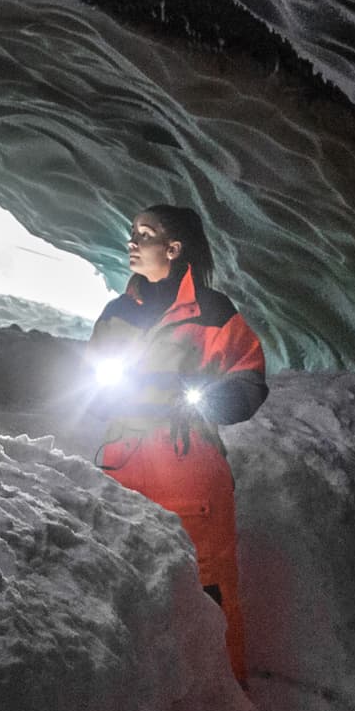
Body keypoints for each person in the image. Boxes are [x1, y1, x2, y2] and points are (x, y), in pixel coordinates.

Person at [88, 204, 269, 682]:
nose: (132, 242)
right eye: (131, 232)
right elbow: (91, 385)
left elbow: (249, 380)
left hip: (191, 473)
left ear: (173, 249)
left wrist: (206, 403)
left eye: (144, 234)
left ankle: (227, 708)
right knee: (128, 589)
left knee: (208, 590)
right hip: (122, 469)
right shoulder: (116, 314)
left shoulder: (212, 312)